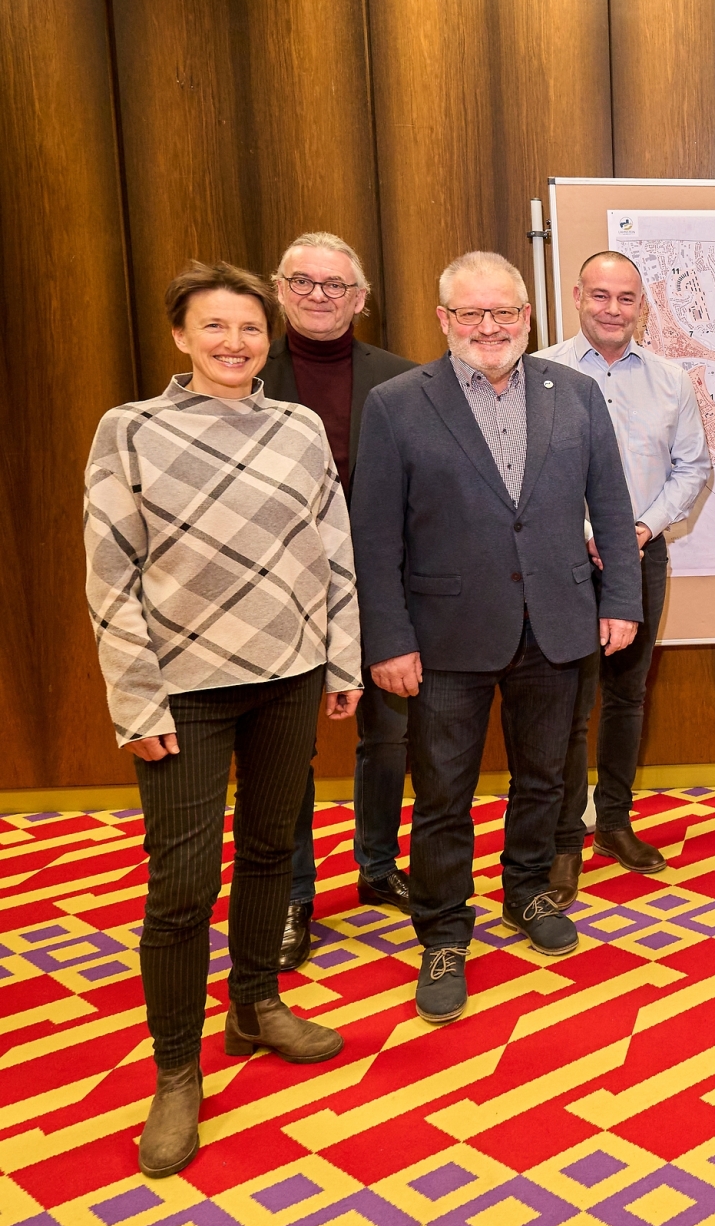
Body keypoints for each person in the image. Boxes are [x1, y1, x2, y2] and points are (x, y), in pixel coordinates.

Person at [84, 261, 361, 1178]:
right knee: (180, 887)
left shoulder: (297, 426)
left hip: (289, 675)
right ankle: (174, 1071)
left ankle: (255, 1004)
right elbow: (111, 578)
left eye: (249, 329)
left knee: (273, 851)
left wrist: (342, 658)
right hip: (184, 690)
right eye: (215, 328)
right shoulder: (131, 430)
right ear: (181, 336)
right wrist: (135, 698)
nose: (235, 344)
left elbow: (333, 546)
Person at [352, 251, 644, 1025]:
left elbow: (611, 508)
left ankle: (526, 892)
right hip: (442, 637)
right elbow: (373, 538)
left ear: (527, 317)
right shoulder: (396, 404)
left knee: (545, 781)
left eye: (505, 312)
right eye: (472, 313)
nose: (491, 327)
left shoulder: (575, 394)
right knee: (442, 795)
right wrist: (386, 640)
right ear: (444, 319)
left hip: (557, 624)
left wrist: (620, 600)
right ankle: (445, 930)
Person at [536, 251, 712, 902]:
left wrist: (637, 530)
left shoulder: (672, 380)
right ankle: (561, 839)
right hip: (561, 558)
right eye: (601, 295)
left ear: (643, 306)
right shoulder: (540, 373)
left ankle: (612, 819)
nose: (613, 308)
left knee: (627, 693)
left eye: (626, 298)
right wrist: (587, 535)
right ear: (578, 296)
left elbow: (693, 470)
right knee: (566, 702)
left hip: (641, 553)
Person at [265, 232, 418, 971]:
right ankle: (294, 890)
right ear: (279, 288)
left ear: (360, 300)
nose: (320, 295)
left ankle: (378, 861)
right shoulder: (239, 373)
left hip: (379, 585)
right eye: (305, 281)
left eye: (336, 285)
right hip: (276, 594)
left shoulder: (403, 379)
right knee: (285, 747)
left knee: (387, 737)